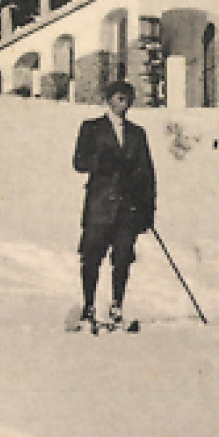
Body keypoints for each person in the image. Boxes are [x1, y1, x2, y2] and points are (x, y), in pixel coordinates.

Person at [71, 80, 156, 331]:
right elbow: (79, 162)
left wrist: (147, 209)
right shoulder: (91, 128)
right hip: (99, 206)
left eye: (128, 99)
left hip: (127, 208)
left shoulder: (137, 133)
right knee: (91, 257)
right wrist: (101, 161)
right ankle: (88, 308)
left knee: (122, 258)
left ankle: (117, 308)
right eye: (119, 98)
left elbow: (148, 173)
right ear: (109, 99)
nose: (124, 103)